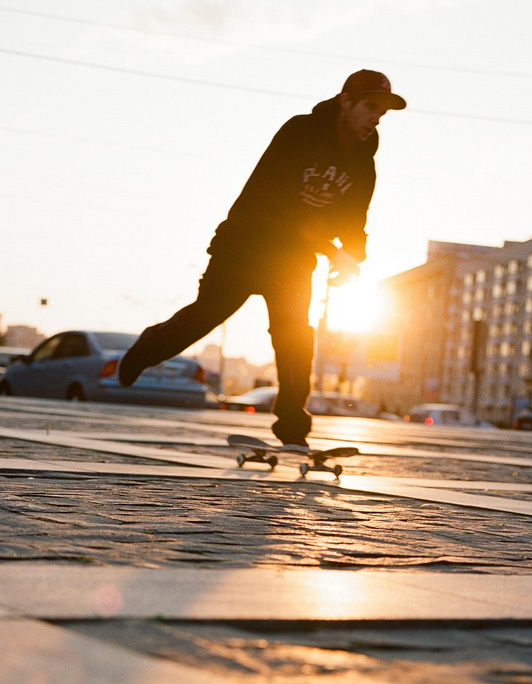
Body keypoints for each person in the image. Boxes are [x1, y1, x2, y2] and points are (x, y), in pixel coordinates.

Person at [119, 69, 406, 445]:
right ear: (345, 101)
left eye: (382, 112)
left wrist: (352, 256)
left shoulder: (364, 162)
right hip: (245, 246)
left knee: (294, 339)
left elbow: (355, 218)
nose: (376, 118)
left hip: (293, 259)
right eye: (370, 106)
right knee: (205, 317)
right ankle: (147, 348)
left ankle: (292, 427)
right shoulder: (300, 132)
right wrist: (333, 251)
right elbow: (279, 203)